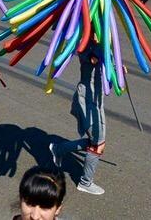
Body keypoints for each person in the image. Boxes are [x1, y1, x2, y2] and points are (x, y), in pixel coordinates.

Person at [49, 42, 106, 196]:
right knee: (98, 143)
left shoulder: (104, 43)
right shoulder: (87, 44)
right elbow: (89, 57)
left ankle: (58, 149)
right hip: (87, 101)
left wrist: (117, 69)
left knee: (96, 141)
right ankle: (85, 183)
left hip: (96, 101)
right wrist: (97, 56)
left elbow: (107, 67)